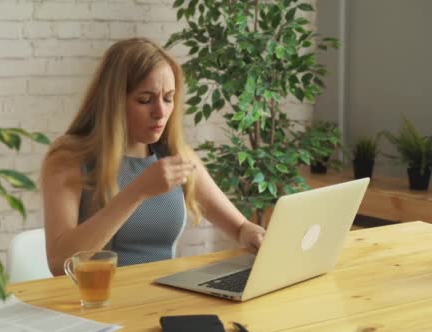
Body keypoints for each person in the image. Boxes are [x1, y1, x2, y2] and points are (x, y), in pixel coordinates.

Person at [41, 37, 265, 276]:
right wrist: (138, 191)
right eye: (145, 100)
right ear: (113, 102)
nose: (160, 112)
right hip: (97, 303)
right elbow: (59, 263)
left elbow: (240, 227)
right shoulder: (69, 157)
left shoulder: (172, 154)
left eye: (168, 98)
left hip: (163, 299)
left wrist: (250, 233)